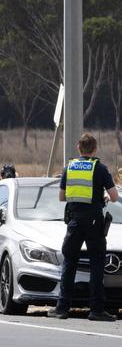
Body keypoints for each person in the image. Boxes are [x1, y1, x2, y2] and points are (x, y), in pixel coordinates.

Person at [48, 133, 119, 321]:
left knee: (69, 262)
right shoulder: (100, 168)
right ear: (95, 149)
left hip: (74, 221)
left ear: (79, 149)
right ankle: (96, 310)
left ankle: (62, 309)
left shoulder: (69, 168)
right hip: (94, 222)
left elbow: (61, 197)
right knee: (96, 263)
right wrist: (101, 197)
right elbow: (113, 196)